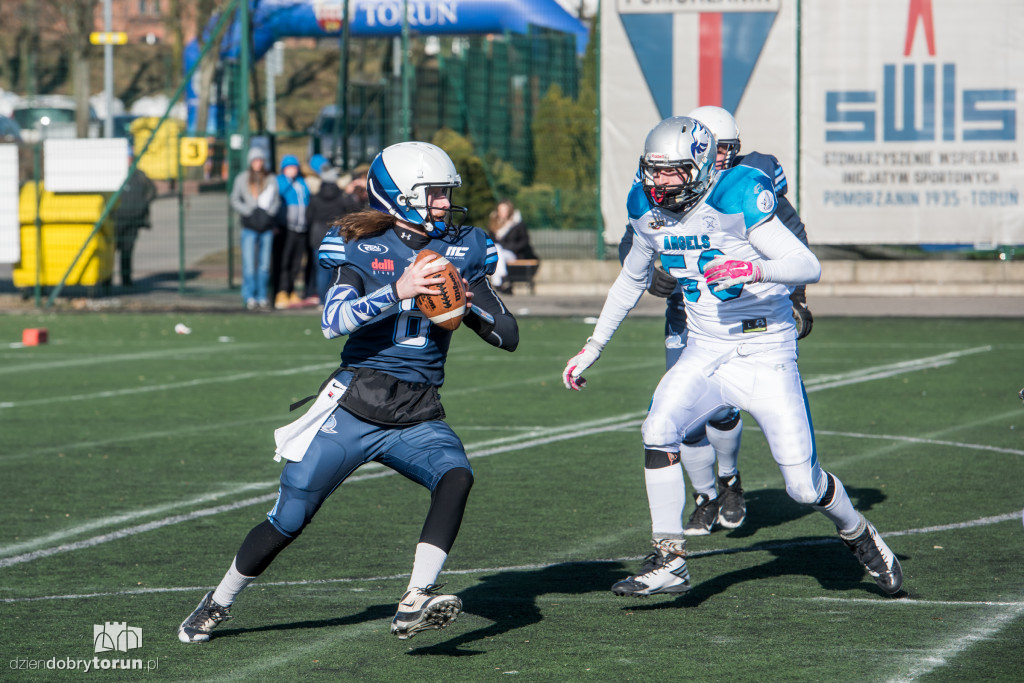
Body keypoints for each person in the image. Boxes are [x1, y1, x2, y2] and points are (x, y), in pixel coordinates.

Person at [178, 141, 519, 644]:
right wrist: (399, 290)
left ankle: (416, 598)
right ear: (401, 196)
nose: (446, 203)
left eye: (446, 193)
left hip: (418, 410)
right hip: (356, 405)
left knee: (456, 476)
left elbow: (508, 335)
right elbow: (332, 321)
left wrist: (466, 308)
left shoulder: (465, 247)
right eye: (435, 193)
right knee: (289, 518)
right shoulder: (361, 244)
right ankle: (219, 600)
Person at [562, 116, 902, 598]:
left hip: (766, 352)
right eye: (654, 170)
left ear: (701, 167)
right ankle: (669, 558)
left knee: (804, 488)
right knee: (657, 428)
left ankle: (858, 532)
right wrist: (594, 345)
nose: (660, 182)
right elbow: (631, 279)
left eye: (672, 171)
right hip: (705, 350)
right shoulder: (646, 208)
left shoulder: (736, 193)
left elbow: (808, 264)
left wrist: (753, 270)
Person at [618, 106, 815, 537]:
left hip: (744, 316)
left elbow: (791, 235)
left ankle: (729, 480)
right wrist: (653, 276)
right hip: (688, 311)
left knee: (724, 412)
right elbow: (634, 242)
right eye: (716, 147)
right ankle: (704, 497)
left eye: (727, 148)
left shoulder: (747, 182)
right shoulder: (664, 179)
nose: (721, 156)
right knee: (682, 422)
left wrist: (796, 295)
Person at [230, 146, 280, 310]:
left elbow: (276, 200)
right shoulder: (242, 178)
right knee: (249, 265)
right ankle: (249, 296)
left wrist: (269, 213)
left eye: (260, 160)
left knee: (264, 265)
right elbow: (234, 199)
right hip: (249, 227)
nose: (258, 163)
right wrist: (248, 211)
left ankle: (262, 295)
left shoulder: (270, 178)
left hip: (266, 227)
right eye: (255, 160)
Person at [306, 160, 360, 303]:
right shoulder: (341, 197)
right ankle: (333, 299)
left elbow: (308, 216)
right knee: (335, 271)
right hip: (336, 236)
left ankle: (322, 301)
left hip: (317, 236)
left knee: (321, 271)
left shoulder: (315, 197)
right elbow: (354, 210)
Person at [275, 155, 312, 309]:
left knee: (297, 262)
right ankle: (281, 291)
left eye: (295, 167)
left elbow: (307, 198)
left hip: (302, 228)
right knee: (285, 260)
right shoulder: (280, 181)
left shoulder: (302, 182)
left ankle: (291, 291)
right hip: (287, 228)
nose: (293, 170)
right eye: (289, 167)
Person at [112, 157, 156, 288]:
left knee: (127, 251)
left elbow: (152, 191)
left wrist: (142, 205)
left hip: (133, 219)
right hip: (116, 219)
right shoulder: (114, 173)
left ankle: (126, 280)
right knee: (110, 250)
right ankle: (106, 281)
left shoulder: (140, 175)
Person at [487, 199, 537, 292]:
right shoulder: (493, 224)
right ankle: (503, 278)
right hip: (499, 253)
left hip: (513, 253)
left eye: (504, 210)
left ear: (509, 210)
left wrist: (511, 247)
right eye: (500, 210)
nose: (502, 212)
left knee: (497, 253)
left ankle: (499, 282)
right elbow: (491, 241)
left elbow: (524, 241)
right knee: (497, 251)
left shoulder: (518, 224)